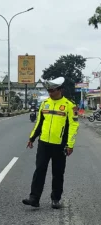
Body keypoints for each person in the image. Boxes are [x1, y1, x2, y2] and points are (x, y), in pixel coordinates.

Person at [22, 77, 79, 209]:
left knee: (58, 173)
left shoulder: (70, 106)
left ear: (60, 90)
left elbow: (73, 126)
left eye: (52, 90)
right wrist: (32, 138)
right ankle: (34, 198)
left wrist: (70, 144)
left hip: (60, 145)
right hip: (44, 144)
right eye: (49, 90)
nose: (50, 93)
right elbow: (39, 123)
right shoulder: (45, 103)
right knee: (39, 170)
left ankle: (56, 199)